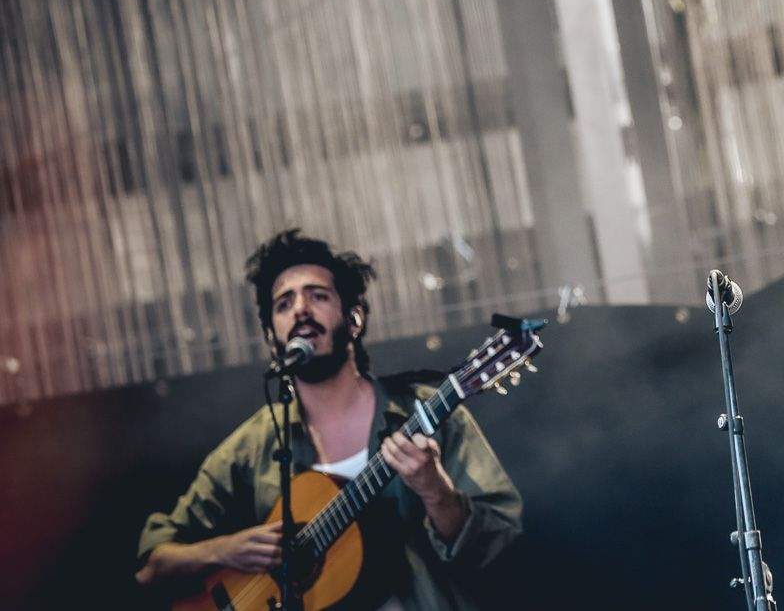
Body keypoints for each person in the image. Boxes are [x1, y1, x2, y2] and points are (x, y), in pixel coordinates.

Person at [135, 229, 522, 610]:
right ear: (272, 338)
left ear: (354, 320)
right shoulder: (253, 444)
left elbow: (500, 543)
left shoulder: (425, 414)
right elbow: (151, 566)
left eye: (318, 296)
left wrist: (436, 491)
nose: (300, 309)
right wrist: (223, 550)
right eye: (284, 303)